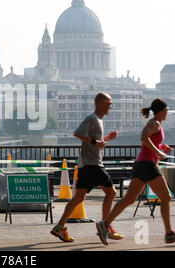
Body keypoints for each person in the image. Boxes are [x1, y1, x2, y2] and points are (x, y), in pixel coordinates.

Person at [96, 98, 175, 245]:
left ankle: (105, 224)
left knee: (129, 199)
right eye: (166, 111)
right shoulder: (154, 123)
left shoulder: (156, 124)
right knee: (166, 197)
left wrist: (162, 147)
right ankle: (169, 233)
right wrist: (159, 151)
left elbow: (150, 142)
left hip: (141, 164)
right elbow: (143, 138)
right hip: (146, 164)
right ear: (160, 111)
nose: (167, 113)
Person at [50, 92, 123, 242]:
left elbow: (95, 140)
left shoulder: (99, 120)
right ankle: (105, 225)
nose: (111, 106)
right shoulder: (92, 118)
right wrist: (95, 143)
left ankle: (60, 227)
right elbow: (77, 133)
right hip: (92, 164)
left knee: (78, 197)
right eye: (109, 103)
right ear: (101, 103)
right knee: (111, 192)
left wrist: (106, 139)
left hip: (86, 164)